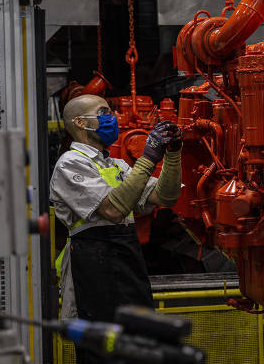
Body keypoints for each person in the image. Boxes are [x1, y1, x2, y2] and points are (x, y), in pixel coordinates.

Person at [50, 94, 182, 360]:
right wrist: (147, 158)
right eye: (104, 113)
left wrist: (172, 154)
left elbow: (165, 196)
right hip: (92, 264)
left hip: (128, 262)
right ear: (79, 122)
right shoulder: (70, 164)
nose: (112, 119)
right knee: (101, 350)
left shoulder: (116, 165)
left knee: (140, 345)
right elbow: (112, 210)